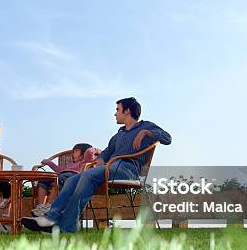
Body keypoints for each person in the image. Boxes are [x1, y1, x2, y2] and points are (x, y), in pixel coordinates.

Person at [22, 97, 171, 233]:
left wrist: (146, 133)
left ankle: (63, 224)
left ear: (127, 111)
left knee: (87, 176)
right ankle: (55, 220)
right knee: (72, 179)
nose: (115, 114)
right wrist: (100, 160)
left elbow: (167, 138)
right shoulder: (119, 135)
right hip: (110, 167)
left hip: (129, 170)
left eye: (117, 110)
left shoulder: (146, 126)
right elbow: (106, 153)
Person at [32, 143, 99, 217]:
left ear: (84, 152)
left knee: (57, 180)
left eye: (76, 150)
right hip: (62, 176)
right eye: (73, 151)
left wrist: (95, 150)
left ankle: (49, 206)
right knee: (44, 180)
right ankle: (41, 207)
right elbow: (58, 170)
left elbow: (90, 152)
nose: (73, 153)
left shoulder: (86, 160)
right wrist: (48, 162)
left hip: (74, 178)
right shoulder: (70, 164)